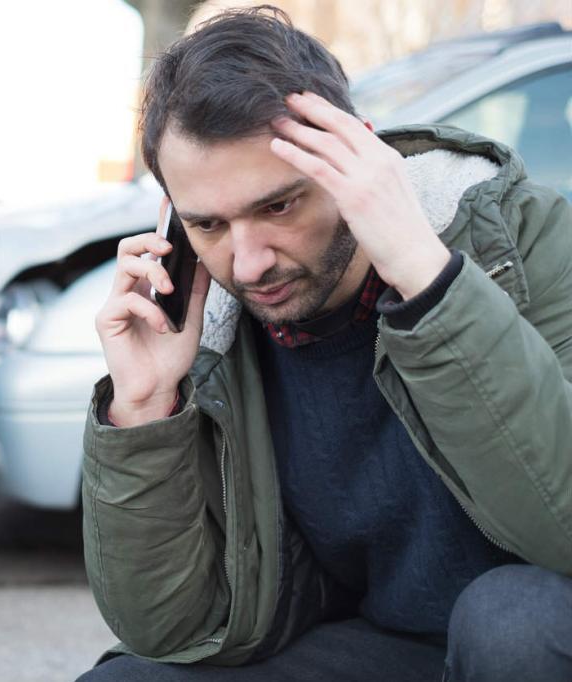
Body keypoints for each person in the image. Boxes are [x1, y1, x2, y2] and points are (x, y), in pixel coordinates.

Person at [77, 6, 572, 682]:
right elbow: (172, 628)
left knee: (512, 620)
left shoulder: (527, 242)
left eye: (278, 206)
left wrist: (430, 283)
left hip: (537, 634)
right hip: (388, 648)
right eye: (209, 224)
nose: (248, 263)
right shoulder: (213, 331)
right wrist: (144, 412)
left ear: (359, 161)